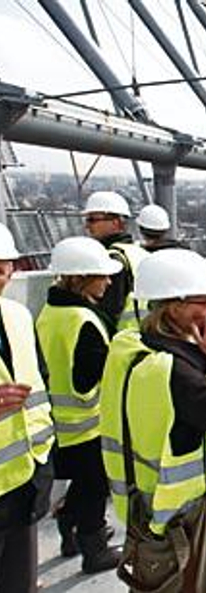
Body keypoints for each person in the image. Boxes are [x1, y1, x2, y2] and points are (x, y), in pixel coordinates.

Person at [100, 249, 206, 586]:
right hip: (192, 517)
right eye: (203, 300)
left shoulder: (132, 348)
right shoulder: (173, 371)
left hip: (153, 502)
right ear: (173, 305)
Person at [34, 236, 123, 572]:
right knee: (93, 488)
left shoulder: (49, 311)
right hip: (86, 423)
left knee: (83, 485)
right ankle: (95, 551)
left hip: (55, 421)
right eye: (102, 275)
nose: (109, 281)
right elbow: (94, 375)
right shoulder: (84, 320)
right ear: (81, 277)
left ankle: (69, 528)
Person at [0, 223, 55, 593]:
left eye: (1, 265)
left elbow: (41, 381)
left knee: (19, 580)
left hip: (25, 471)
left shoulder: (19, 315)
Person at [83, 190, 149, 331]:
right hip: (144, 337)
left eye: (93, 220)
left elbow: (108, 311)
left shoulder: (112, 258)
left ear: (116, 222)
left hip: (121, 341)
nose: (87, 226)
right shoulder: (140, 252)